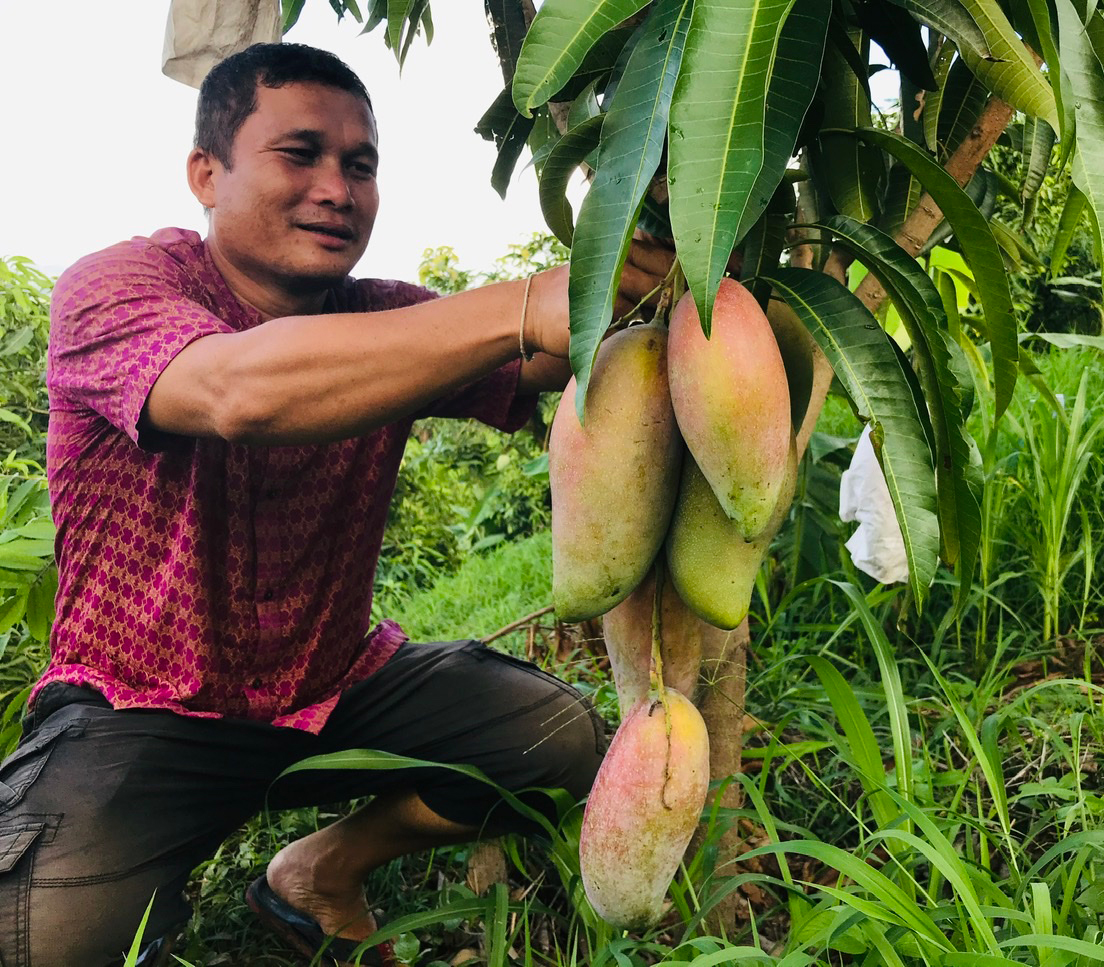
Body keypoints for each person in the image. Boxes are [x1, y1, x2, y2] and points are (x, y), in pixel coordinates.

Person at [0, 42, 674, 967]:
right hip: (141, 714)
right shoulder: (118, 288)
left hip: (334, 690)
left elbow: (544, 359)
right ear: (206, 172)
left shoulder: (381, 316)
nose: (338, 187)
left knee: (554, 741)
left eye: (361, 166)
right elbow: (240, 393)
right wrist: (524, 301)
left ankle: (318, 871)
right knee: (38, 944)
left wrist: (633, 279)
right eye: (301, 153)